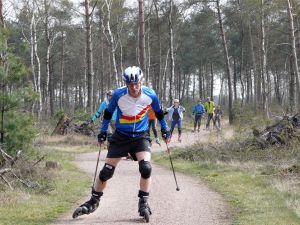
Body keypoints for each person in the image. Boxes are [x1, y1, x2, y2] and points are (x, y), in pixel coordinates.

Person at [73, 66, 171, 220]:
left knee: (146, 168)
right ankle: (93, 201)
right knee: (106, 172)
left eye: (136, 83)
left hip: (140, 136)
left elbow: (159, 113)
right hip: (121, 136)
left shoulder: (150, 94)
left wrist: (165, 129)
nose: (134, 87)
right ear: (126, 83)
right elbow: (108, 114)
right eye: (130, 84)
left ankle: (143, 202)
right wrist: (103, 131)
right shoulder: (118, 94)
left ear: (141, 81)